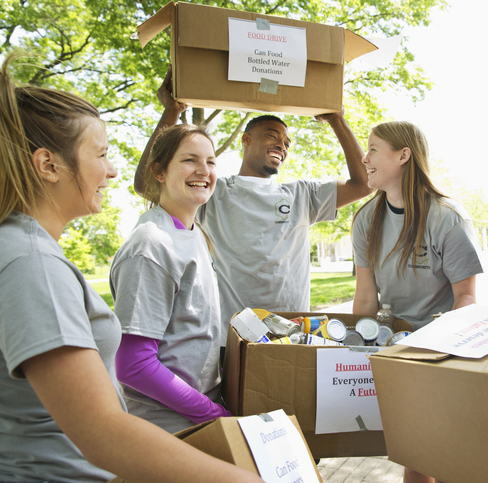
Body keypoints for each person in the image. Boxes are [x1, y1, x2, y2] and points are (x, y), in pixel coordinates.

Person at [0, 54, 263, 483]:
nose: (113, 169)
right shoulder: (33, 264)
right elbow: (103, 428)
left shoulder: (30, 249)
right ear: (48, 166)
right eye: (101, 154)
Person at [134, 68, 373, 342]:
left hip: (296, 335)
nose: (281, 145)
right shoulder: (214, 192)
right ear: (246, 140)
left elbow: (364, 184)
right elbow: (147, 183)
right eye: (272, 135)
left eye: (286, 143)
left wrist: (336, 120)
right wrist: (172, 111)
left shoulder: (303, 195)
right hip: (236, 338)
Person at [352, 121, 483, 483]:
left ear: (403, 155)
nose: (365, 158)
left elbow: (467, 298)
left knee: (434, 451)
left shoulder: (447, 217)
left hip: (442, 349)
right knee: (416, 451)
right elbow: (365, 297)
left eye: (373, 148)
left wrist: (441, 351)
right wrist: (348, 348)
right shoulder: (365, 219)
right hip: (394, 348)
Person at [111, 124, 231, 433]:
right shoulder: (151, 244)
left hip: (198, 415)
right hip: (168, 426)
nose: (204, 170)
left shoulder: (194, 234)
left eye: (211, 161)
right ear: (159, 172)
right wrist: (213, 414)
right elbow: (133, 364)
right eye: (190, 160)